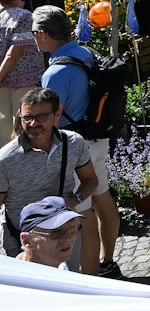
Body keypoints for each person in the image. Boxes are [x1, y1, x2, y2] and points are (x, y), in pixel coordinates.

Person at [34, 5, 117, 274]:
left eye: (34, 33)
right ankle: (108, 261)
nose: (34, 38)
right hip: (98, 137)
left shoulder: (54, 73)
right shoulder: (85, 52)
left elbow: (51, 119)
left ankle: (90, 276)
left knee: (83, 213)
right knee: (102, 197)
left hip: (76, 149)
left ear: (44, 34)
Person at [0, 88, 96, 270]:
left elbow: (90, 180)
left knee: (69, 280)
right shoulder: (5, 159)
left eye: (41, 117)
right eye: (27, 118)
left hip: (65, 233)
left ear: (57, 114)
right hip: (27, 240)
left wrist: (74, 200)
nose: (33, 123)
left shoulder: (74, 143)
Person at [0, 0, 43, 134]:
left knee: (3, 126)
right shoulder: (24, 17)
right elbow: (13, 53)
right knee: (22, 124)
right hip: (23, 79)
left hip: (2, 81)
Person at [14, 194, 80, 268]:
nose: (69, 238)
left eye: (72, 229)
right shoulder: (10, 274)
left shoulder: (62, 268)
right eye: (57, 232)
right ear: (27, 240)